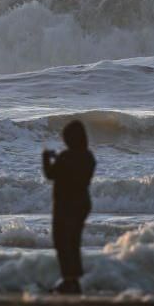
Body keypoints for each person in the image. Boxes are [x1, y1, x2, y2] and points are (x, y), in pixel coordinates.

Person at [42, 120, 97, 295]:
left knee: (62, 242)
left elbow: (51, 174)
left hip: (66, 205)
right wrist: (60, 159)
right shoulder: (88, 157)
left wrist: (45, 158)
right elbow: (76, 173)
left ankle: (69, 281)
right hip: (82, 204)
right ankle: (73, 281)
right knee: (73, 242)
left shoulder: (67, 157)